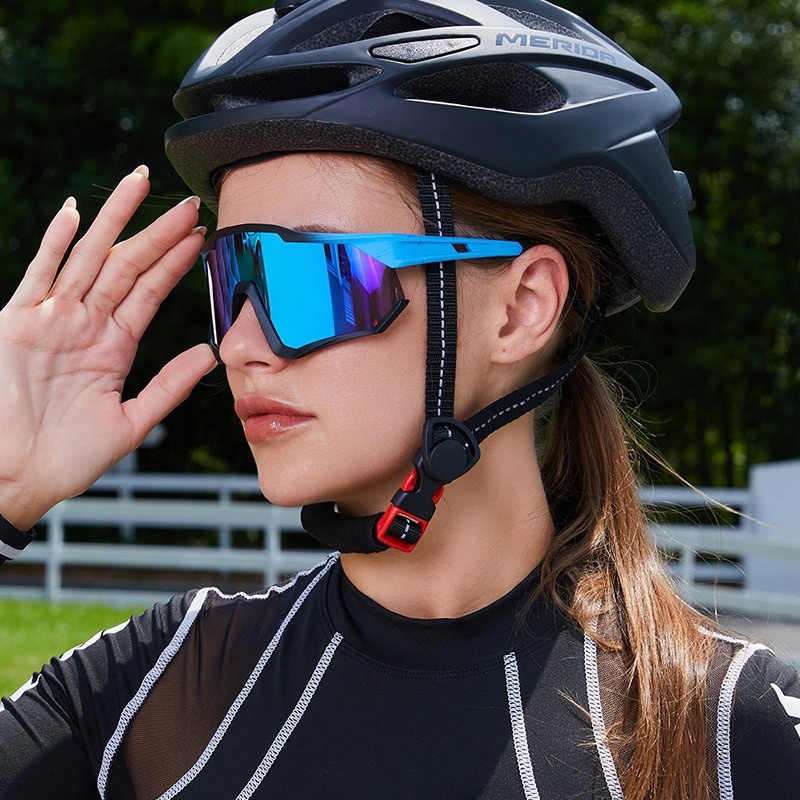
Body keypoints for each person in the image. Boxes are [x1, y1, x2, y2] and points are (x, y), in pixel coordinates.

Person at [1, 1, 798, 798]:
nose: (239, 345)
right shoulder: (155, 687)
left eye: (308, 278)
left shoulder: (737, 730)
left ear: (522, 309)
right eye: (230, 282)